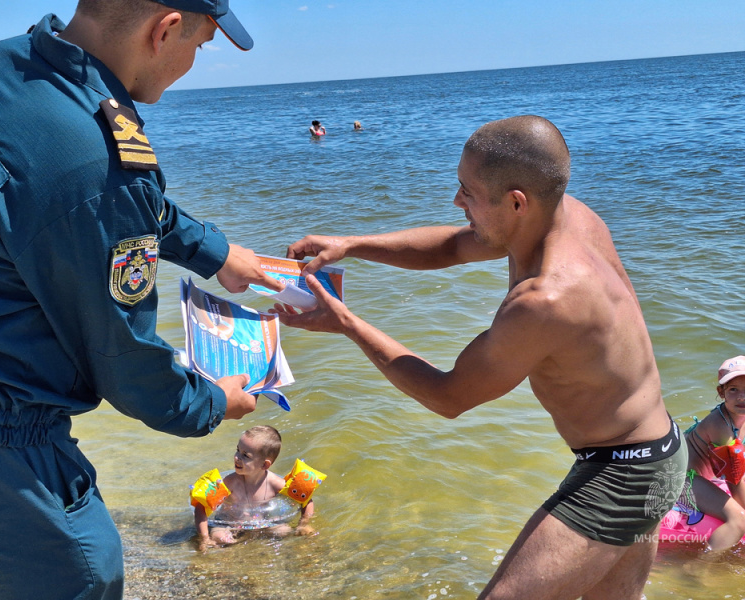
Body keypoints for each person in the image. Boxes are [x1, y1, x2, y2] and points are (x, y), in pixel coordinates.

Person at [0, 2, 283, 599]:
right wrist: (213, 402)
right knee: (86, 572)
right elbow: (126, 362)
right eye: (200, 47)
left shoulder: (0, 66)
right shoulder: (94, 157)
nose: (190, 64)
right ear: (166, 29)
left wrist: (215, 252)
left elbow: (90, 203)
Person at [273, 115, 687, 600]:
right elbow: (451, 246)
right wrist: (352, 244)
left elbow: (447, 396)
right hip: (655, 451)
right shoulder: (568, 214)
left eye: (467, 192)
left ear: (516, 202)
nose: (457, 202)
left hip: (625, 471)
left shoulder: (547, 299)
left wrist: (344, 322)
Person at [194, 425, 315, 550]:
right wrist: (204, 538)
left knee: (284, 531)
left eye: (245, 455)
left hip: (262, 524)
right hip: (229, 523)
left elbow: (306, 499)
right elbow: (201, 507)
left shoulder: (274, 483)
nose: (237, 457)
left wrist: (304, 524)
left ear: (264, 464)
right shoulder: (229, 482)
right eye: (237, 450)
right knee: (220, 537)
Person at [683, 355, 745, 551]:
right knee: (738, 520)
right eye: (733, 390)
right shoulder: (719, 425)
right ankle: (698, 569)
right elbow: (733, 480)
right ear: (721, 392)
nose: (741, 397)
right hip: (683, 479)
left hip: (703, 478)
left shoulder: (740, 416)